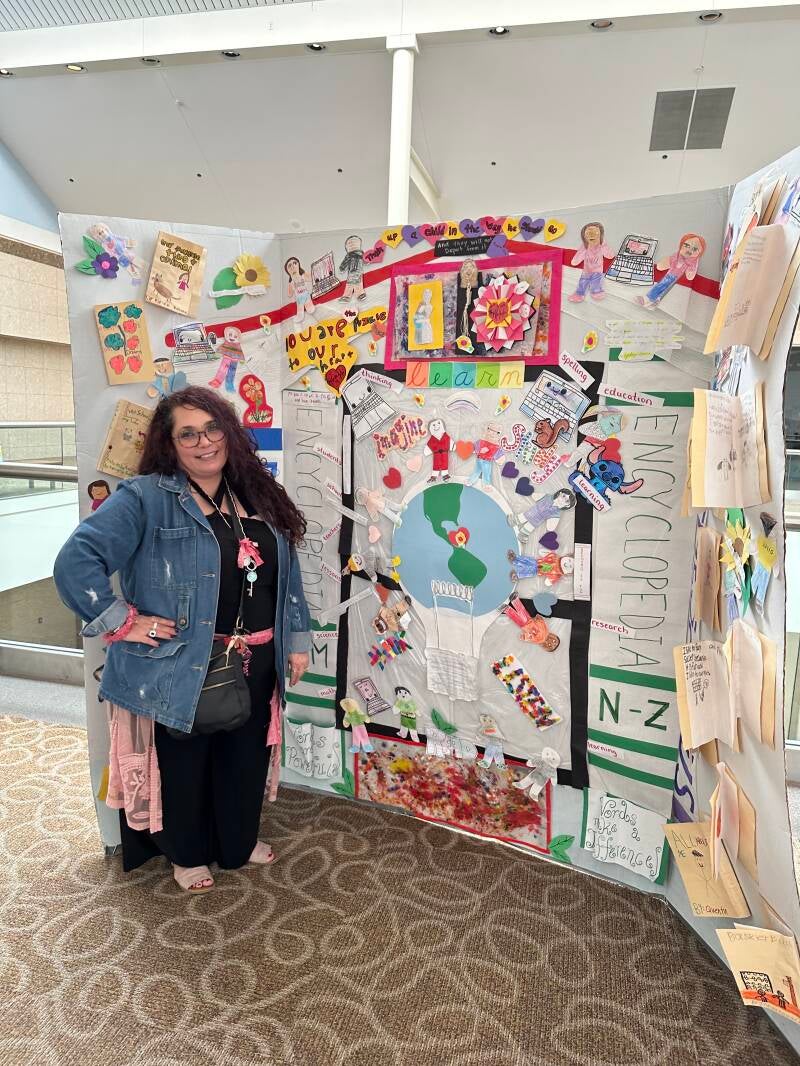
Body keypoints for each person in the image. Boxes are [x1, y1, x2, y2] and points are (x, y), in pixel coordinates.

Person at [54, 386, 311, 895]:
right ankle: (187, 854)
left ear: (229, 433)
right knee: (185, 765)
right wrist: (123, 622)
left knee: (243, 757)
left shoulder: (256, 491)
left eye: (212, 428)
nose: (204, 442)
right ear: (169, 444)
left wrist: (296, 639)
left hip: (256, 657)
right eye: (187, 434)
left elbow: (288, 575)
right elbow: (75, 562)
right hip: (182, 663)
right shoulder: (145, 498)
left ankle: (236, 842)